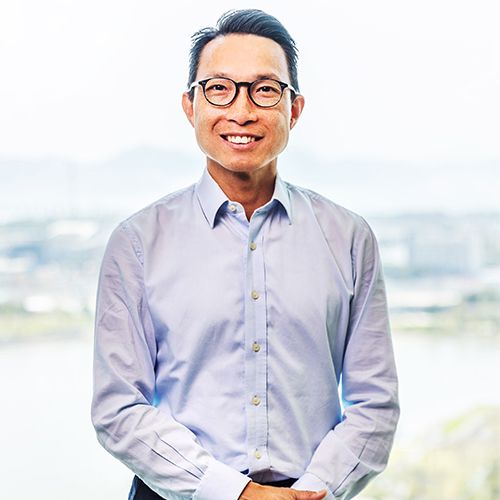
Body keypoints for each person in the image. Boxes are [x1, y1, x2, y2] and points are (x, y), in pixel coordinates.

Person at [91, 9, 399, 500]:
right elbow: (118, 409)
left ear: (294, 109)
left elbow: (375, 404)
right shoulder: (137, 242)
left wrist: (312, 492)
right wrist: (234, 493)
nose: (241, 111)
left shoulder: (348, 237)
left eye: (265, 90)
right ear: (190, 106)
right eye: (219, 88)